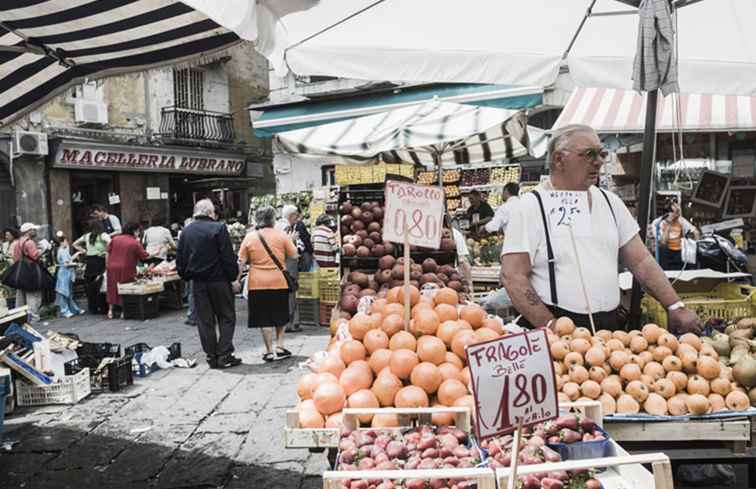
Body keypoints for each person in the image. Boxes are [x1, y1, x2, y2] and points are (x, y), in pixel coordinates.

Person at [501, 124, 700, 334]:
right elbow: (512, 275)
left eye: (601, 153)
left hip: (609, 329)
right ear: (559, 160)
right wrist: (550, 325)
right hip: (555, 327)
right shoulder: (530, 207)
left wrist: (674, 305)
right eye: (588, 154)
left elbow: (641, 261)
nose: (598, 161)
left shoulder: (610, 202)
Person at [176, 199, 241, 369]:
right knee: (227, 317)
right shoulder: (219, 228)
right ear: (210, 212)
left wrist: (187, 276)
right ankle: (224, 354)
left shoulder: (186, 231)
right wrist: (233, 277)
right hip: (219, 281)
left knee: (205, 321)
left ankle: (211, 356)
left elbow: (180, 261)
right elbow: (228, 257)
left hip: (198, 283)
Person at [239, 205, 298, 362]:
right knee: (280, 314)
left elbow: (241, 261)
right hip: (278, 281)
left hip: (257, 282)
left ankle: (269, 351)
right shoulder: (282, 235)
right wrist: (290, 241)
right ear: (273, 219)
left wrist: (236, 280)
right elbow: (294, 255)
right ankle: (280, 345)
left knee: (264, 317)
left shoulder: (249, 237)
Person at [106, 222, 149, 319]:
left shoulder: (115, 239)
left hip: (112, 267)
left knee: (112, 288)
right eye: (138, 231)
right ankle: (123, 311)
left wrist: (107, 265)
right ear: (134, 231)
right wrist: (156, 252)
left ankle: (110, 311)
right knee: (124, 288)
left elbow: (107, 252)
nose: (138, 233)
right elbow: (144, 255)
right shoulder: (134, 242)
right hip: (126, 268)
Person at [280, 205, 312, 332]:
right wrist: (292, 241)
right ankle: (289, 323)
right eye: (295, 216)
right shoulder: (286, 228)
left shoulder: (282, 226)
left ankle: (293, 322)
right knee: (290, 293)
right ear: (291, 216)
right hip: (288, 265)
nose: (297, 218)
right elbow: (284, 248)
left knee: (289, 293)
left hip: (286, 265)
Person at [73, 220, 110, 314]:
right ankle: (103, 308)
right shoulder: (103, 235)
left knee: (90, 286)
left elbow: (75, 244)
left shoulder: (86, 236)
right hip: (99, 261)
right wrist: (106, 251)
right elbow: (111, 242)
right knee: (101, 285)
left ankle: (93, 308)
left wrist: (84, 251)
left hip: (90, 262)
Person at [652, 199, 699, 270]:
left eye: (678, 211)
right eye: (676, 212)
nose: (678, 214)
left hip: (680, 253)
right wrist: (669, 223)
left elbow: (696, 232)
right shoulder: (658, 223)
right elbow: (663, 242)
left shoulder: (680, 220)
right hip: (666, 254)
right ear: (669, 213)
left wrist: (696, 247)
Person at [12, 223, 43, 322]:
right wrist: (44, 249)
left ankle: (20, 318)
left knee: (21, 296)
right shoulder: (30, 243)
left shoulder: (17, 243)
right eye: (33, 230)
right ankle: (33, 318)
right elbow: (35, 256)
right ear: (28, 231)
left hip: (20, 271)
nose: (35, 231)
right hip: (30, 271)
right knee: (33, 295)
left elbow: (15, 258)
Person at [54, 233, 83, 318]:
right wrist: (75, 264)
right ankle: (65, 311)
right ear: (62, 242)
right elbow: (66, 264)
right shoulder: (61, 251)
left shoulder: (64, 250)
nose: (67, 243)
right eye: (66, 241)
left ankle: (73, 309)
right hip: (64, 273)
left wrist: (77, 253)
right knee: (64, 293)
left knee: (69, 293)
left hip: (67, 273)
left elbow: (69, 259)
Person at [1, 227, 19, 309]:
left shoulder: (16, 243)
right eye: (6, 235)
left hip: (14, 269)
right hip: (6, 270)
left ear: (13, 235)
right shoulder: (5, 245)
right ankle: (10, 306)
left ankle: (14, 306)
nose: (7, 237)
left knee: (13, 290)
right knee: (7, 290)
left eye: (8, 235)